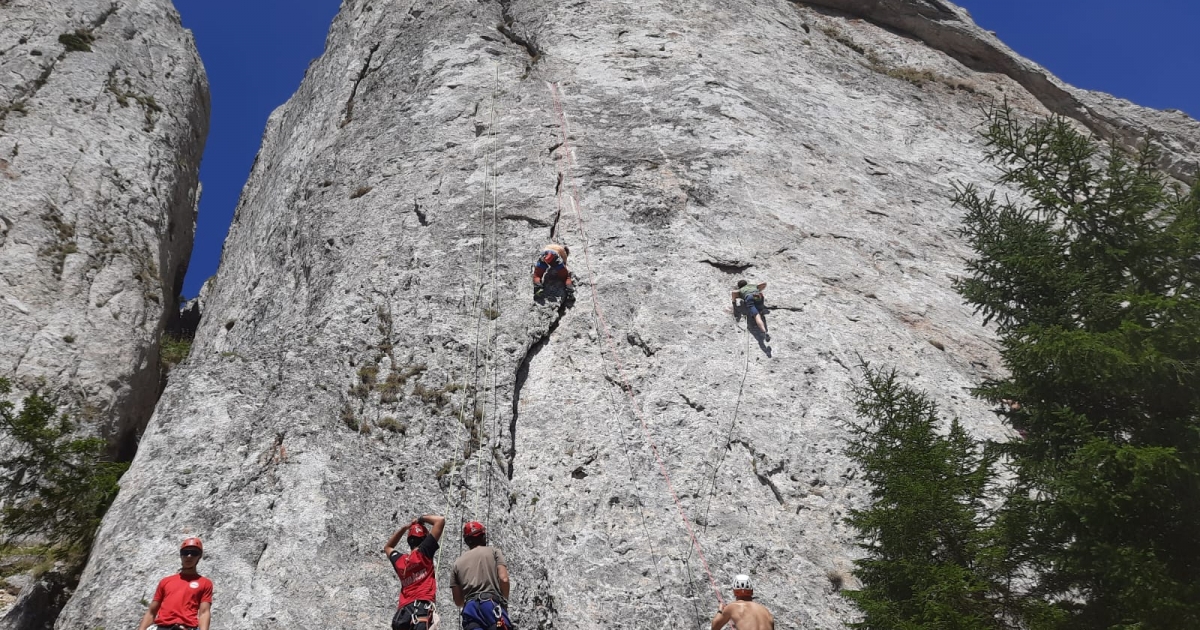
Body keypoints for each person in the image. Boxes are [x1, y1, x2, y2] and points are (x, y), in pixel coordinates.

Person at [385, 513, 447, 630]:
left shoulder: (400, 560)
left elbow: (388, 547)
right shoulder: (424, 552)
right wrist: (420, 519)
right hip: (421, 610)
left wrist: (404, 528)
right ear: (424, 539)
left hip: (403, 614)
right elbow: (440, 520)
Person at [136, 537, 213, 630]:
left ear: (199, 557)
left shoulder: (205, 583)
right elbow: (152, 611)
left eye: (194, 553)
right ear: (181, 555)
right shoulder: (165, 581)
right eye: (185, 553)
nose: (189, 556)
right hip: (162, 627)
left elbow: (204, 612)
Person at [451, 521, 513, 630]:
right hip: (491, 605)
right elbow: (504, 579)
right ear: (483, 536)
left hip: (470, 610)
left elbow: (458, 601)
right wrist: (504, 601)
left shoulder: (457, 563)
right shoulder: (494, 552)